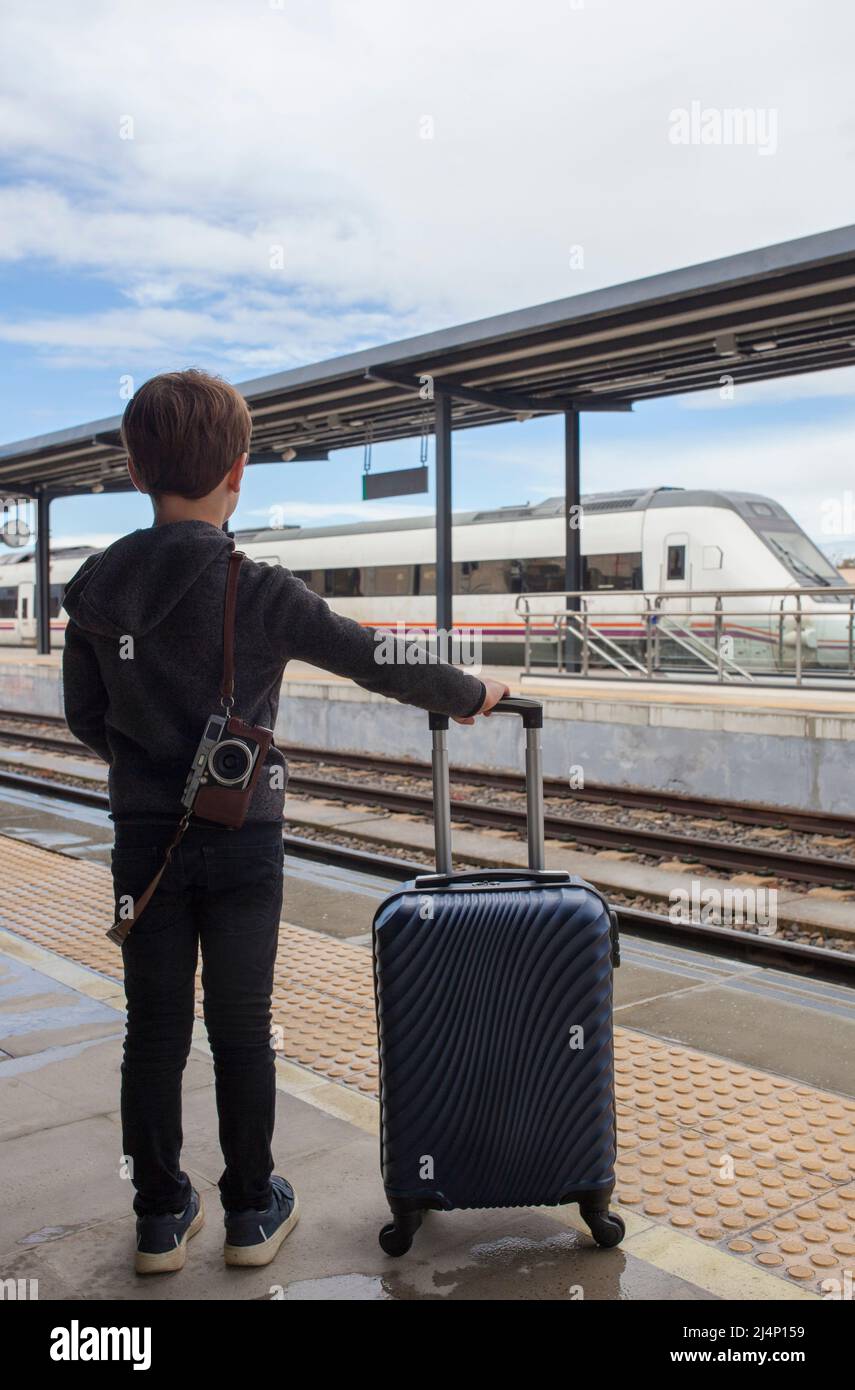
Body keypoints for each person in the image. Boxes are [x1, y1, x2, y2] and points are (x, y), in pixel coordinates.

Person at [61, 368, 509, 1275]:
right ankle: (250, 1210)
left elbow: (82, 717)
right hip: (242, 841)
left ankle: (157, 1217)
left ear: (137, 468)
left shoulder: (96, 587)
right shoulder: (257, 588)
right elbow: (374, 658)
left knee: (150, 1030)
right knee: (240, 1026)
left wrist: (147, 768)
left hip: (143, 844)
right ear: (238, 470)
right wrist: (472, 691)